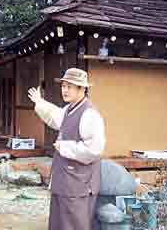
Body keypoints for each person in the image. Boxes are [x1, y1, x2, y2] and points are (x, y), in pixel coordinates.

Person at [28, 67, 106, 230]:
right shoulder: (69, 109)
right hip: (65, 180)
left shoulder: (89, 114)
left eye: (70, 86)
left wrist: (65, 147)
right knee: (59, 222)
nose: (65, 90)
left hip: (79, 183)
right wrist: (40, 102)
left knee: (75, 224)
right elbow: (54, 115)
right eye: (63, 86)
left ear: (82, 89)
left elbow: (94, 150)